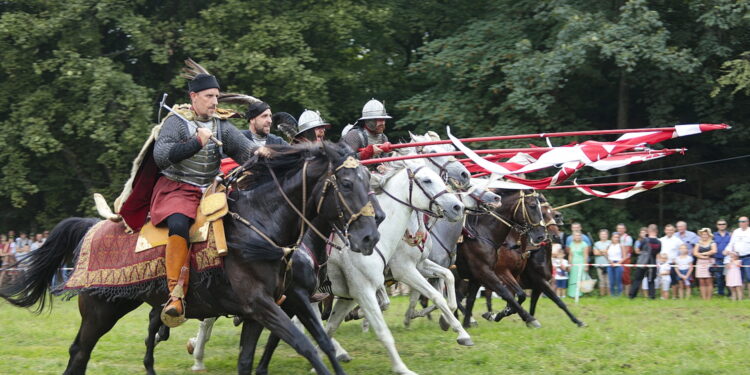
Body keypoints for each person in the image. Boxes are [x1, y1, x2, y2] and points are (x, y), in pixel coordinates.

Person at [150, 72, 266, 325]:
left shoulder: (221, 124)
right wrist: (196, 142)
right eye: (209, 96)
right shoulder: (177, 122)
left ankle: (254, 288)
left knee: (244, 218)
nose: (215, 102)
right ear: (194, 97)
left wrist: (261, 152)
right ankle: (176, 294)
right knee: (179, 223)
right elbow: (161, 156)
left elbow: (243, 150)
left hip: (211, 187)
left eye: (217, 96)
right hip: (177, 187)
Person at [630, 226, 658, 299]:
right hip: (652, 262)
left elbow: (638, 249)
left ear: (648, 231)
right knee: (651, 280)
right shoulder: (658, 241)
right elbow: (658, 251)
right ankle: (651, 296)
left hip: (643, 261)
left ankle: (632, 295)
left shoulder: (644, 240)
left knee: (638, 279)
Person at [725, 216, 750, 297]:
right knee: (739, 279)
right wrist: (727, 250)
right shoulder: (736, 231)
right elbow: (731, 243)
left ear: (747, 222)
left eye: (743, 221)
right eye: (740, 221)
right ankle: (741, 296)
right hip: (737, 258)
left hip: (748, 257)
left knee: (749, 277)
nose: (741, 223)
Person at [659, 224, 684, 297]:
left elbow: (683, 249)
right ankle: (662, 296)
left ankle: (674, 296)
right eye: (667, 230)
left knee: (674, 280)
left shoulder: (677, 240)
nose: (669, 231)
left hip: (672, 263)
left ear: (674, 231)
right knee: (662, 280)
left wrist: (678, 259)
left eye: (671, 230)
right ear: (665, 231)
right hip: (662, 263)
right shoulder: (661, 240)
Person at [693, 228, 717, 300]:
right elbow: (695, 253)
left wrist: (704, 253)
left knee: (709, 280)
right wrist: (703, 257)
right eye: (703, 234)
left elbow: (714, 251)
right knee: (701, 281)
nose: (704, 236)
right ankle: (704, 298)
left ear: (709, 235)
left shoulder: (712, 242)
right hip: (700, 262)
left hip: (709, 262)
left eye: (706, 234)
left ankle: (709, 298)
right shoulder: (698, 243)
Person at [567, 233, 590, 298]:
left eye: (579, 235)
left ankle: (580, 294)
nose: (577, 237)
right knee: (573, 278)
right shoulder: (571, 244)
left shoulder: (584, 244)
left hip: (581, 263)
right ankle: (572, 294)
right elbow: (570, 255)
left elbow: (586, 255)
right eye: (576, 235)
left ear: (581, 236)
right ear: (573, 237)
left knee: (580, 278)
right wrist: (569, 264)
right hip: (573, 264)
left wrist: (586, 265)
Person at [713, 219, 731, 297]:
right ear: (717, 225)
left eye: (723, 224)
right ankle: (721, 293)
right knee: (719, 277)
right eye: (719, 224)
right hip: (718, 258)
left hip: (728, 259)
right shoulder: (713, 235)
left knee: (729, 276)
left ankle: (730, 293)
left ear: (726, 225)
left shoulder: (730, 235)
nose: (721, 225)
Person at [592, 229, 611, 296]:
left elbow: (610, 252)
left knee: (608, 281)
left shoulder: (610, 242)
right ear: (599, 235)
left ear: (607, 235)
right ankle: (602, 295)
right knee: (601, 280)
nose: (603, 236)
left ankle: (609, 295)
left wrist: (602, 251)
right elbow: (595, 253)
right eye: (602, 234)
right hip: (599, 265)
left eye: (605, 234)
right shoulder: (596, 244)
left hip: (609, 264)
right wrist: (605, 251)